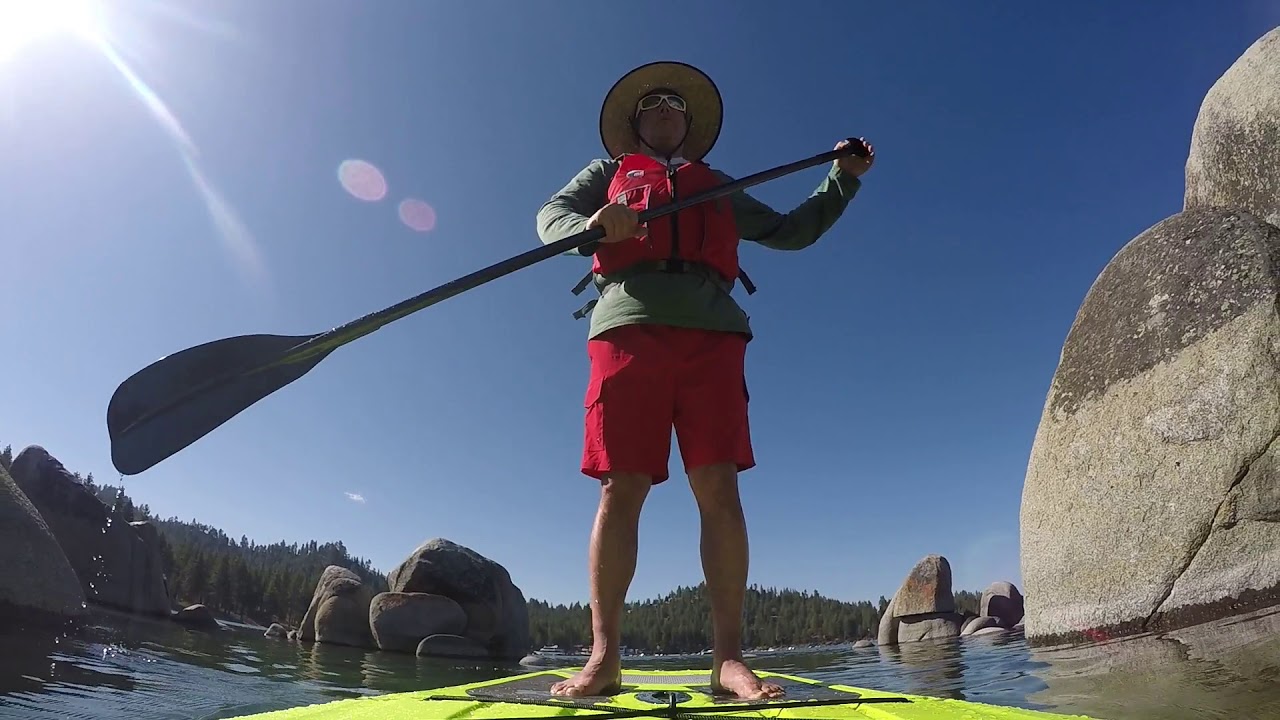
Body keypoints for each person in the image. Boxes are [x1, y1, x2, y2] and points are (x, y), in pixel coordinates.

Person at [534, 61, 874, 699]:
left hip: (712, 335)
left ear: (687, 123)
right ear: (636, 122)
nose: (664, 107)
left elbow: (790, 231)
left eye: (675, 102)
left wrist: (843, 179)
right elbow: (552, 215)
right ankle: (604, 656)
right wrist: (591, 225)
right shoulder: (606, 174)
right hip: (627, 327)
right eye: (652, 102)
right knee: (620, 487)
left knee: (719, 487)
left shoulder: (717, 185)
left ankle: (727, 659)